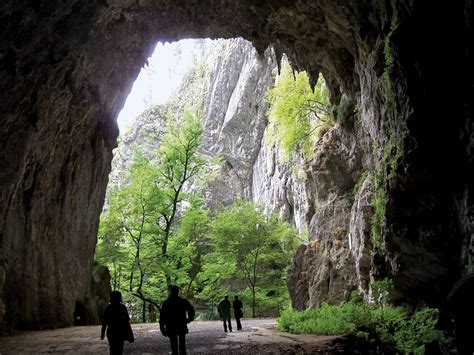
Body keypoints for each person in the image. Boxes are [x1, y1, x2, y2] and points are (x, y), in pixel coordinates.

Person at [160, 285, 195, 355]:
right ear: (178, 291)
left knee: (173, 344)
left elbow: (162, 316)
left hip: (171, 325)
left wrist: (162, 328)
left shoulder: (166, 303)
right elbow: (191, 310)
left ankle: (175, 353)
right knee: (182, 343)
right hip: (181, 324)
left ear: (171, 292)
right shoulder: (183, 301)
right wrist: (189, 319)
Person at [101, 291, 134, 355]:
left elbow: (104, 322)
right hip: (121, 331)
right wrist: (129, 334)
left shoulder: (108, 308)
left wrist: (102, 333)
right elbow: (127, 320)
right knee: (120, 349)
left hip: (111, 332)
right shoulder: (123, 307)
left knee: (112, 349)